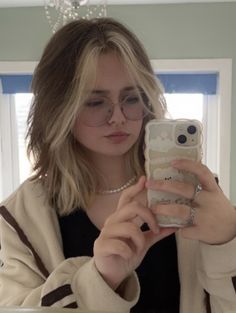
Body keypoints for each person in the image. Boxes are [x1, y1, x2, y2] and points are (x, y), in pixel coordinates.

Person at [0, 17, 235, 313]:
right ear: (61, 110)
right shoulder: (22, 216)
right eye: (95, 102)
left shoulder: (197, 193)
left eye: (132, 98)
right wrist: (100, 280)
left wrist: (229, 242)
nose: (118, 117)